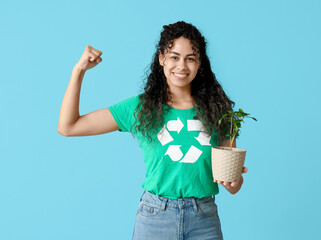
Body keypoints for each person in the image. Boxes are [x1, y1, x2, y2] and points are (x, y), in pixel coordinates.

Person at [57, 21, 248, 240]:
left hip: (203, 219)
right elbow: (68, 126)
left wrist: (235, 182)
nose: (182, 66)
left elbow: (233, 187)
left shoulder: (218, 111)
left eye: (190, 58)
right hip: (156, 217)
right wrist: (78, 71)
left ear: (200, 63)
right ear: (161, 59)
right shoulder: (141, 108)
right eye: (174, 57)